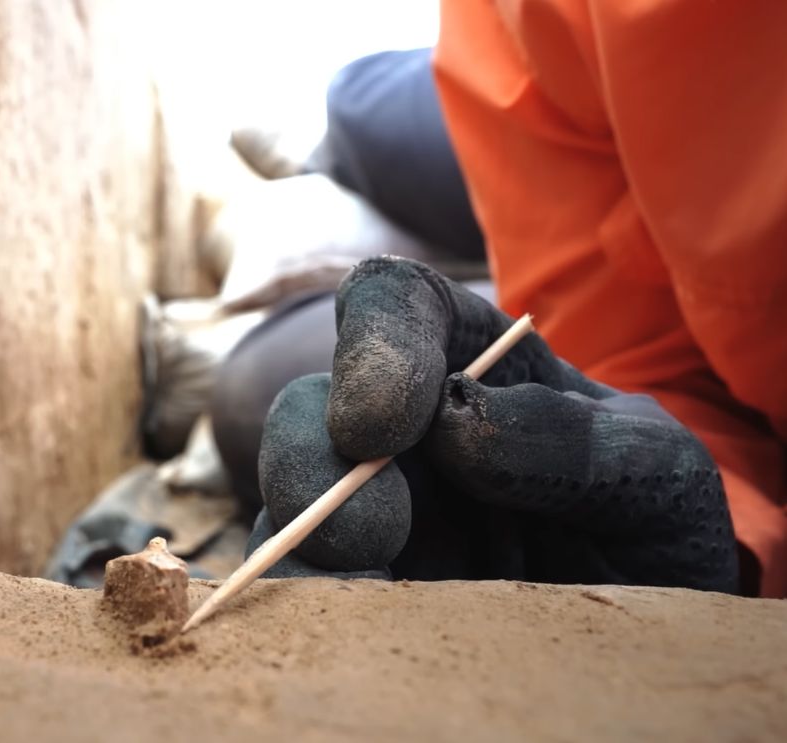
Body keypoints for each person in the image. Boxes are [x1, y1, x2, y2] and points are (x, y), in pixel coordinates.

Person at [212, 1, 787, 597]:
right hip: (549, 128)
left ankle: (333, 153)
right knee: (365, 116)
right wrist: (716, 536)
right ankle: (331, 153)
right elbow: (620, 339)